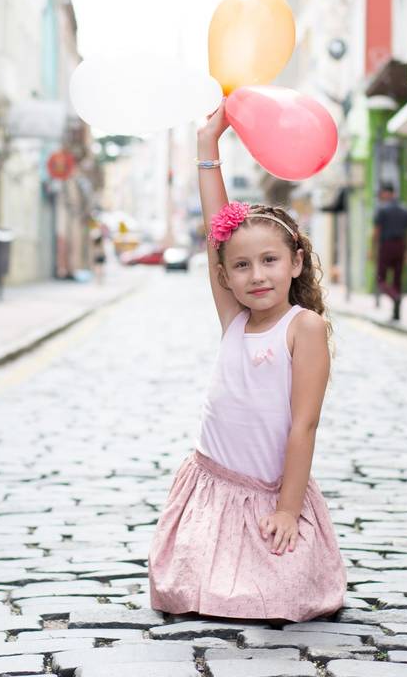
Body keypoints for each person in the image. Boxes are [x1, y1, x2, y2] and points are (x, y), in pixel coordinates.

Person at [148, 98, 346, 623]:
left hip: (268, 488)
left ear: (296, 262)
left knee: (283, 595)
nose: (256, 275)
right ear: (224, 274)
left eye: (269, 261)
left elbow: (303, 426)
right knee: (185, 590)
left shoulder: (302, 327)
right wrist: (206, 145)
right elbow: (219, 228)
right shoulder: (234, 317)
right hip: (213, 480)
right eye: (240, 266)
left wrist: (287, 507)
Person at [371, 182, 407, 322]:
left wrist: (373, 249)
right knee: (397, 280)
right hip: (400, 245)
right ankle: (396, 314)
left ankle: (395, 297)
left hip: (387, 245)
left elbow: (376, 232)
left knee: (380, 279)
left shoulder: (382, 210)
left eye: (382, 193)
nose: (381, 196)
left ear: (387, 193)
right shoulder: (405, 210)